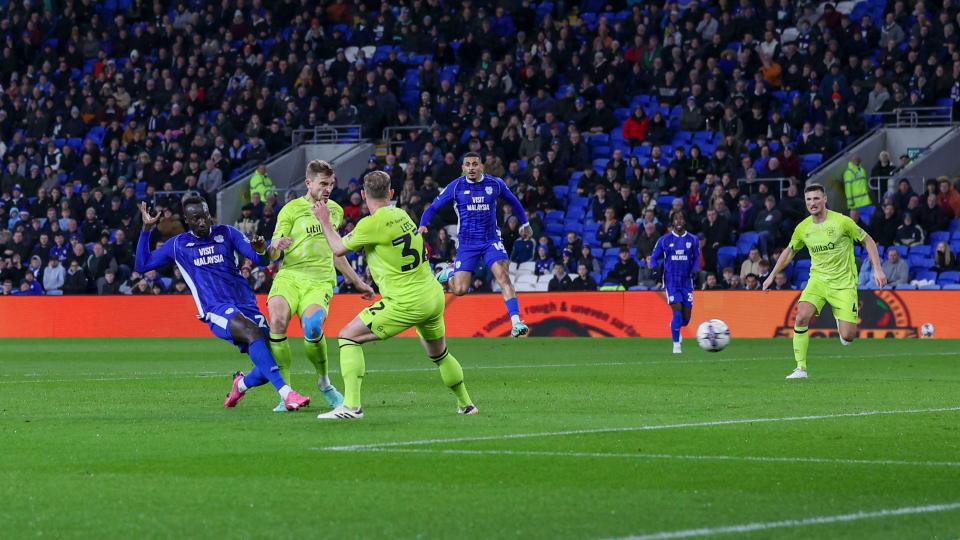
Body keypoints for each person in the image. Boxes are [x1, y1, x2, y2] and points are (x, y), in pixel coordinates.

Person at [311, 171, 478, 419]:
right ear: (391, 194)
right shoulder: (402, 215)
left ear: (364, 195)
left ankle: (352, 407)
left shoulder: (371, 224)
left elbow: (337, 249)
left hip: (406, 301)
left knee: (348, 337)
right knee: (439, 354)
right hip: (432, 296)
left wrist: (324, 220)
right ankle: (466, 404)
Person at [134, 196, 311, 411]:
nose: (202, 222)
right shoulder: (178, 245)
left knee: (269, 363)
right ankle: (287, 394)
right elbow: (142, 265)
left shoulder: (227, 233)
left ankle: (241, 384)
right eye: (196, 218)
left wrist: (261, 250)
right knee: (251, 331)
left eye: (205, 217)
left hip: (245, 303)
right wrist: (146, 230)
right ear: (187, 220)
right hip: (215, 307)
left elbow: (261, 260)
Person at [265, 160, 375, 413]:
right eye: (323, 184)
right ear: (308, 183)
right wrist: (276, 246)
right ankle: (286, 393)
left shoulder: (334, 211)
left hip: (319, 280)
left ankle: (324, 383)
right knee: (278, 322)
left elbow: (337, 252)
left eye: (331, 184)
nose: (328, 188)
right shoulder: (290, 210)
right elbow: (271, 255)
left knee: (313, 327)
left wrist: (358, 282)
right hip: (290, 276)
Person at [763, 184, 886, 380]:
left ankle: (841, 321)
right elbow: (789, 252)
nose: (812, 203)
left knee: (848, 336)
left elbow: (868, 240)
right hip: (818, 280)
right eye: (809, 199)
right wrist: (771, 275)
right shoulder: (803, 228)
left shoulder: (842, 222)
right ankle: (800, 368)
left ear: (825, 199)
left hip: (843, 283)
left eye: (816, 198)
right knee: (801, 315)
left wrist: (878, 269)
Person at [418, 152, 530, 337]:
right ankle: (449, 273)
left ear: (481, 166)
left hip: (491, 240)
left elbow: (514, 202)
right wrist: (423, 224)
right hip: (467, 244)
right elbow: (432, 207)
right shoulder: (456, 187)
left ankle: (516, 322)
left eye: (475, 164)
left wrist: (525, 223)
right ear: (463, 168)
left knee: (503, 276)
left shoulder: (495, 184)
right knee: (460, 290)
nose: (471, 167)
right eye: (467, 164)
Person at [648, 212, 700, 354]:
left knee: (685, 320)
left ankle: (675, 326)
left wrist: (696, 270)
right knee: (677, 314)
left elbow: (696, 258)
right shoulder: (664, 240)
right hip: (671, 282)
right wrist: (653, 268)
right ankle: (676, 346)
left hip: (687, 282)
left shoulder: (693, 240)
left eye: (681, 218)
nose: (679, 221)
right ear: (672, 222)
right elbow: (653, 258)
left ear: (684, 221)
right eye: (676, 219)